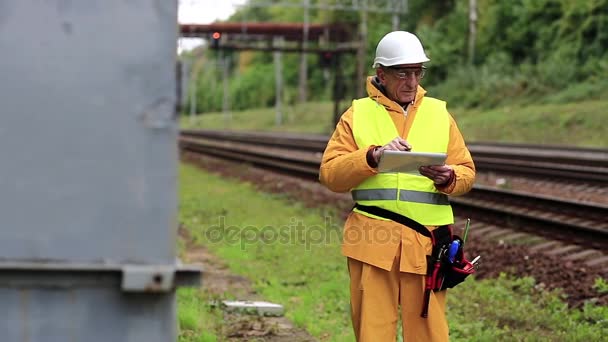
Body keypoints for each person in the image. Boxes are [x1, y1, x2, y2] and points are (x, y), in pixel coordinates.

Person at [319, 31, 476, 341]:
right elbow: (330, 174)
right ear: (381, 74)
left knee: (430, 334)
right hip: (374, 244)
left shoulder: (439, 114)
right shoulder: (357, 115)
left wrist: (449, 178)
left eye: (418, 72)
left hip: (428, 246)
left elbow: (467, 171)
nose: (412, 81)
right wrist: (373, 156)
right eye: (403, 72)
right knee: (373, 333)